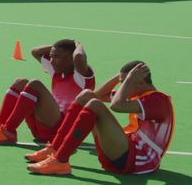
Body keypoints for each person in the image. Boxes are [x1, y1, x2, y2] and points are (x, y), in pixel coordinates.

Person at [27, 61, 174, 176]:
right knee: (86, 95)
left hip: (138, 161)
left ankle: (60, 161)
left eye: (125, 83)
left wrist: (128, 80)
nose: (123, 86)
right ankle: (54, 148)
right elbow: (98, 94)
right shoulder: (138, 95)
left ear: (141, 82)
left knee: (94, 105)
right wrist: (120, 77)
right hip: (124, 151)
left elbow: (117, 105)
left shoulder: (158, 100)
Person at [0, 39, 94, 145]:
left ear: (70, 58)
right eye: (51, 56)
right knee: (20, 82)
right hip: (42, 128)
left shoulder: (81, 77)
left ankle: (8, 132)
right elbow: (35, 51)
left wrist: (78, 44)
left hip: (62, 130)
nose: (51, 61)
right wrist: (57, 48)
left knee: (35, 84)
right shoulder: (57, 71)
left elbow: (79, 56)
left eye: (56, 57)